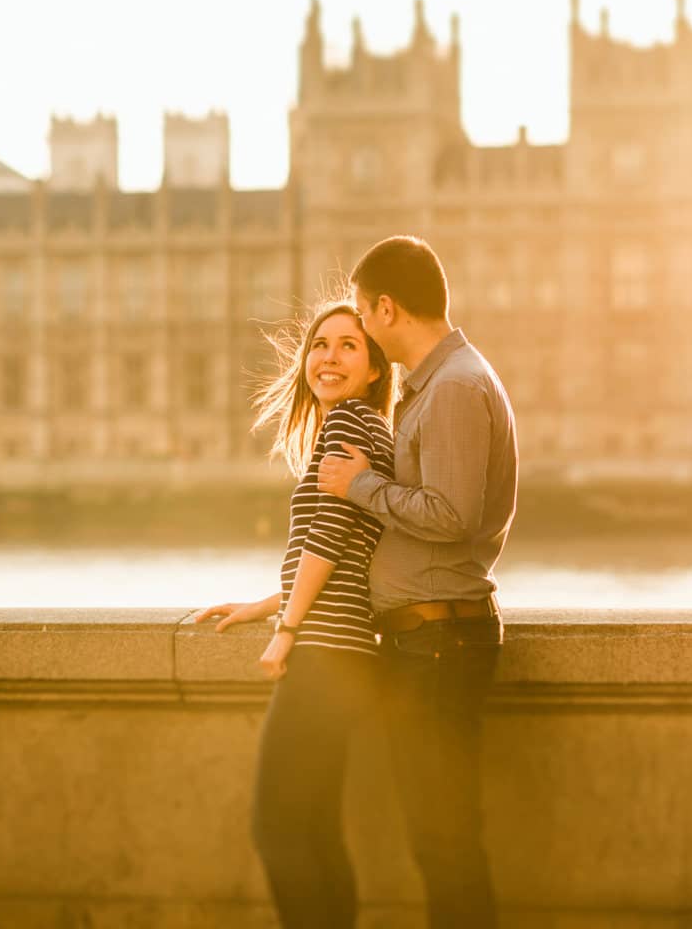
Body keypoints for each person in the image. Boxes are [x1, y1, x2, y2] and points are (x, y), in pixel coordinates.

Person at [317, 235, 518, 929]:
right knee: (437, 837)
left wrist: (360, 485)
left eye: (359, 315)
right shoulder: (436, 384)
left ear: (386, 307)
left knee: (445, 839)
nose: (358, 330)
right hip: (426, 639)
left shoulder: (456, 387)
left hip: (439, 642)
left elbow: (453, 515)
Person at [195, 301, 395, 929]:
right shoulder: (369, 430)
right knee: (315, 828)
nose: (328, 357)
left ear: (374, 368)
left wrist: (285, 634)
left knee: (278, 828)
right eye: (320, 344)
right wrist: (266, 604)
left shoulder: (349, 427)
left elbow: (330, 535)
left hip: (324, 657)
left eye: (348, 346)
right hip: (351, 653)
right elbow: (348, 552)